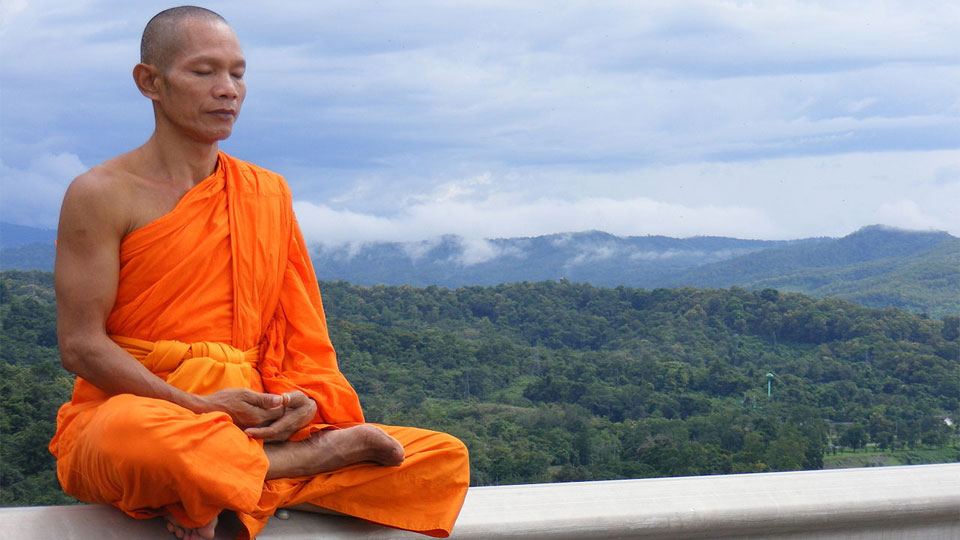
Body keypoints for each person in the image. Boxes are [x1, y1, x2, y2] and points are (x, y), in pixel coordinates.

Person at [48, 6, 470, 540]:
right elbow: (81, 347)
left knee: (441, 457)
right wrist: (197, 406)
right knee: (139, 442)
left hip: (249, 417)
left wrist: (300, 404)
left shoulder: (265, 193)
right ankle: (282, 467)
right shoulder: (100, 194)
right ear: (149, 82)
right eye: (204, 72)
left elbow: (294, 336)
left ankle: (213, 486)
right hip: (139, 411)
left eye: (238, 73)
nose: (228, 89)